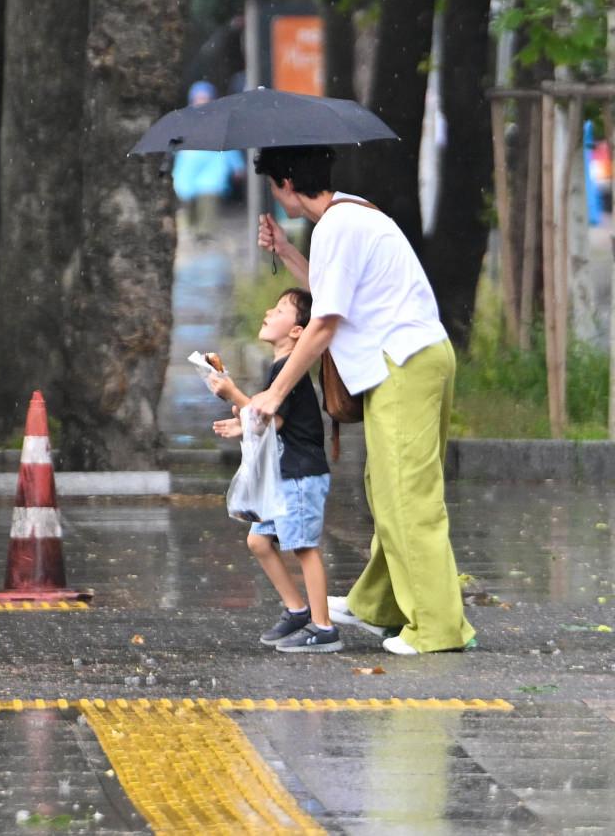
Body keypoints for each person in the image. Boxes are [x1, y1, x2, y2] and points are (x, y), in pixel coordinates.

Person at [247, 144, 475, 655]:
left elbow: (324, 322)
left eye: (271, 183)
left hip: (403, 364)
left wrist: (275, 392)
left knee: (407, 495)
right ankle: (380, 603)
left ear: (285, 182)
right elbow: (334, 297)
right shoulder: (347, 214)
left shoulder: (337, 226)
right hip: (413, 357)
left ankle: (437, 629)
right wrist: (285, 251)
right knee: (386, 486)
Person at [209, 288, 340, 653]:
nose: (268, 311)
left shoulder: (289, 369)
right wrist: (240, 422)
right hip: (281, 474)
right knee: (258, 540)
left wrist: (233, 394)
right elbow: (276, 419)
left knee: (303, 547)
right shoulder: (280, 368)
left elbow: (267, 414)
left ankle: (323, 625)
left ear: (298, 331)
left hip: (300, 474)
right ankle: (298, 611)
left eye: (280, 309)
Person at [172, 81, 244, 241]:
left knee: (208, 202)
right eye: (199, 99)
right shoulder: (184, 122)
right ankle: (194, 229)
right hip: (187, 173)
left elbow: (228, 147)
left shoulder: (220, 124)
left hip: (212, 172)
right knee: (189, 205)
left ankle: (205, 233)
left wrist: (237, 166)